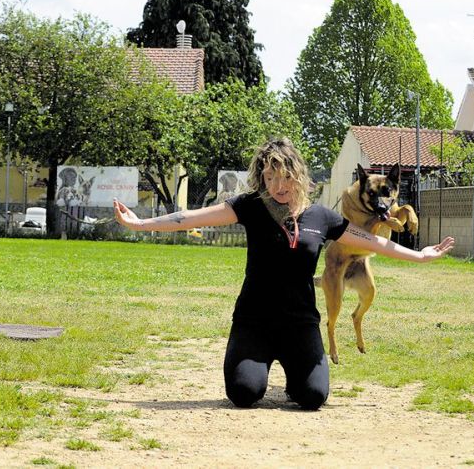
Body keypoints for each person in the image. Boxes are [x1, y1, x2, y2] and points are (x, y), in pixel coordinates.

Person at [114, 138, 455, 410]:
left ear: (299, 176)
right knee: (244, 393)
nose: (279, 185)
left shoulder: (321, 217)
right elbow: (191, 217)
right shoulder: (249, 206)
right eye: (270, 177)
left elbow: (373, 242)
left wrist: (419, 255)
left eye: (286, 177)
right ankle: (257, 367)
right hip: (253, 322)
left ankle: (296, 377)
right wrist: (141, 223)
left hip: (300, 324)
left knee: (312, 397)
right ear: (261, 177)